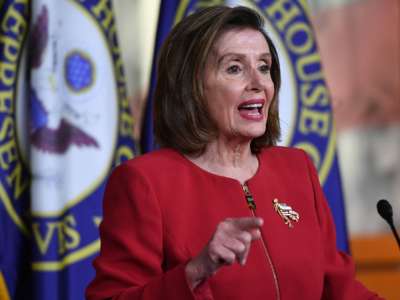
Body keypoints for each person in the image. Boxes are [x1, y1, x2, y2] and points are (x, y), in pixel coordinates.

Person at [86, 6, 383, 300]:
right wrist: (193, 274)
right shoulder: (144, 183)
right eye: (234, 68)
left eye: (264, 67)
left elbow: (341, 290)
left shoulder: (297, 168)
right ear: (192, 87)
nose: (258, 83)